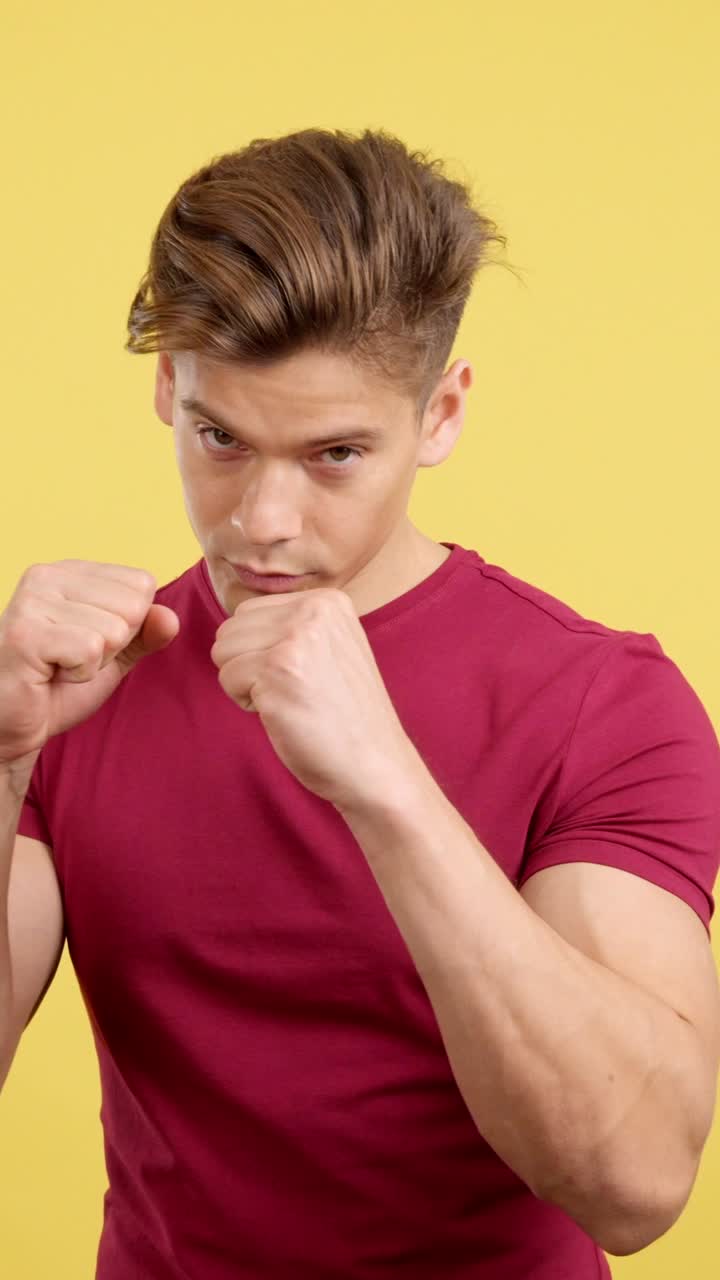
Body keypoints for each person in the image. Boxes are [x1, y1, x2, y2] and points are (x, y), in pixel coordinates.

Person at [1, 127, 719, 1280]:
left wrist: (383, 781)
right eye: (220, 437)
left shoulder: (602, 701)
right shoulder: (82, 690)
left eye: (335, 454)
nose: (264, 519)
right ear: (166, 389)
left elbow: (634, 1181)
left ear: (439, 416)